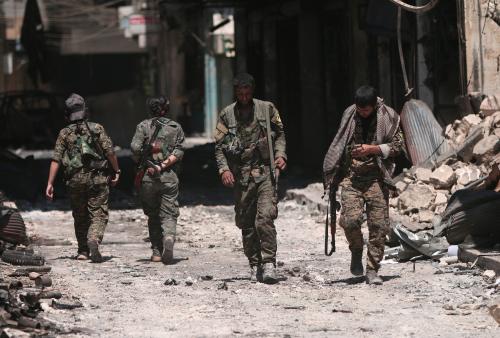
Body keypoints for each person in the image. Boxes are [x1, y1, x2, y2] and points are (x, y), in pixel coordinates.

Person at [323, 85, 403, 285]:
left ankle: (372, 269)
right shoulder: (350, 114)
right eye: (360, 110)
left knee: (379, 226)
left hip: (376, 177)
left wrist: (373, 149)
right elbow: (340, 142)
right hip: (352, 176)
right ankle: (356, 249)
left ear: (374, 105)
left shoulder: (389, 116)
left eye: (366, 110)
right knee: (349, 221)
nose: (362, 113)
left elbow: (397, 147)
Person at [214, 73, 287, 283]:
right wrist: (224, 170)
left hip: (264, 172)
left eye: (247, 92)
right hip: (241, 177)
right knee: (246, 224)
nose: (244, 96)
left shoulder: (267, 109)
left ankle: (269, 263)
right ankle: (254, 264)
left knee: (264, 218)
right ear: (235, 93)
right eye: (240, 93)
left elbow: (280, 133)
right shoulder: (226, 115)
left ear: (252, 91)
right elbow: (219, 147)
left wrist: (281, 155)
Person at [46, 93, 120, 263]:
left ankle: (83, 251)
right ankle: (93, 238)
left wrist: (50, 183)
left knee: (79, 215)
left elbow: (56, 159)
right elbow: (110, 152)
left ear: (67, 114)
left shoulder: (64, 133)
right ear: (85, 111)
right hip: (97, 178)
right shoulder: (97, 128)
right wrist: (117, 171)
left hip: (74, 180)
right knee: (99, 213)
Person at [130, 96, 185, 264]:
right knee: (169, 213)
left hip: (147, 176)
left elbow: (134, 148)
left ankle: (156, 251)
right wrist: (162, 165)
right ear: (166, 109)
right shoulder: (175, 127)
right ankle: (168, 237)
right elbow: (179, 151)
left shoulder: (143, 126)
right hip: (168, 177)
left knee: (153, 215)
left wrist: (144, 159)